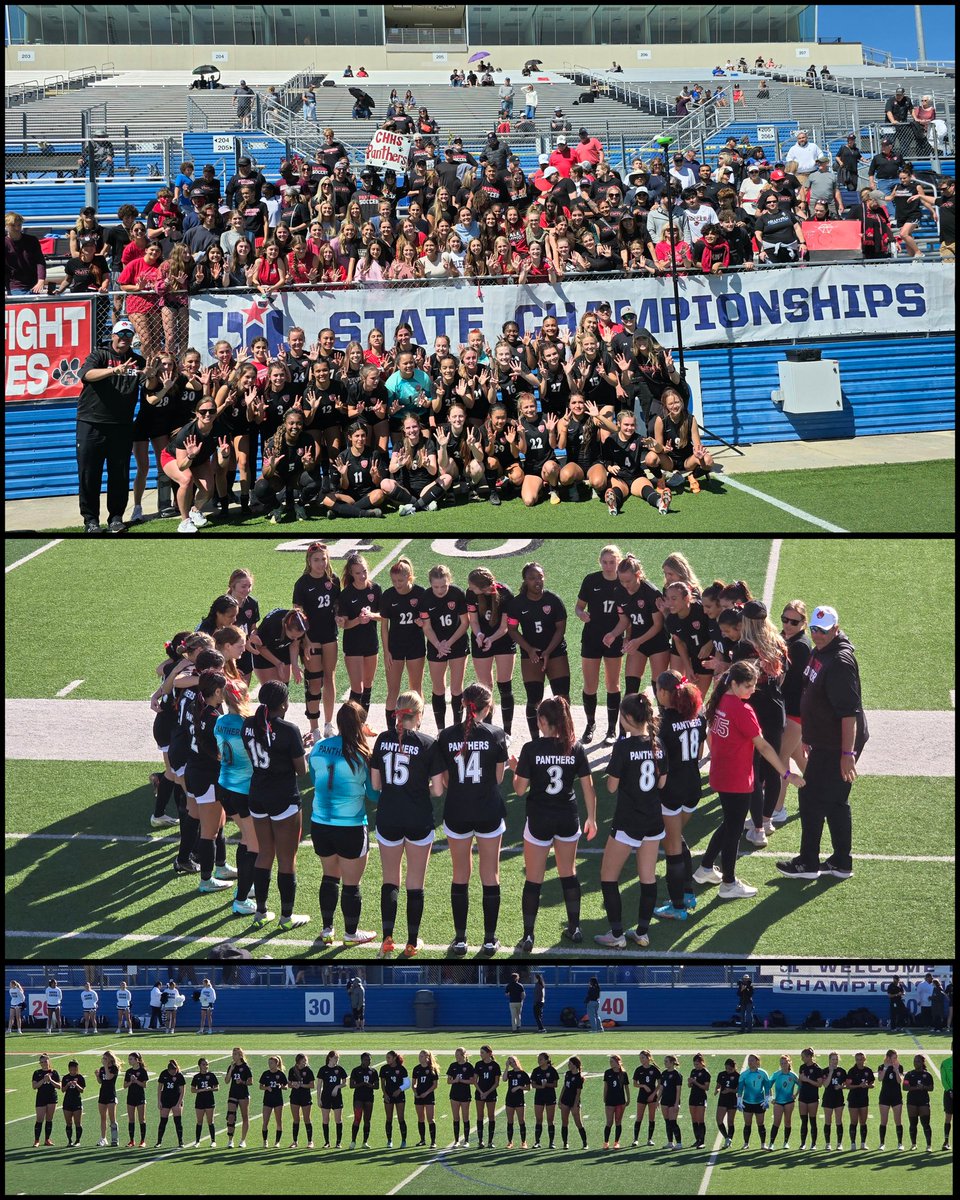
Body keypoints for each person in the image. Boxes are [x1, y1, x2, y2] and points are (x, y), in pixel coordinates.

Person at [694, 661, 804, 900]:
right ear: (734, 683)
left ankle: (704, 868)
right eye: (748, 685)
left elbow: (713, 738)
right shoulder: (743, 711)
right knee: (733, 830)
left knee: (729, 823)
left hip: (722, 774)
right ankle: (729, 883)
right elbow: (763, 747)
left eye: (754, 685)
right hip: (737, 779)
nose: (753, 690)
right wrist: (787, 774)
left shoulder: (721, 701)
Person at [776, 604, 868, 882]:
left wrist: (847, 753)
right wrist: (809, 736)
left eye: (823, 630)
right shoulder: (821, 650)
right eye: (814, 629)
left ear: (836, 629)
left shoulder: (839, 661)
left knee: (811, 798)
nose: (817, 634)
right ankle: (841, 861)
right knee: (835, 801)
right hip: (824, 739)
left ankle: (808, 863)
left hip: (836, 743)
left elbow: (848, 713)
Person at [511, 694, 597, 949]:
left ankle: (528, 935)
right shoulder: (575, 747)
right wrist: (592, 817)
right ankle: (575, 927)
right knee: (568, 874)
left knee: (534, 878)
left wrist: (516, 768)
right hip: (567, 817)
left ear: (543, 721)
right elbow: (588, 788)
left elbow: (519, 789)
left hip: (539, 817)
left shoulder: (531, 749)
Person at [431, 681, 508, 956]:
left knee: (460, 874)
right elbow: (498, 778)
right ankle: (489, 940)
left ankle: (461, 939)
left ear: (463, 704)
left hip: (457, 810)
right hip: (488, 810)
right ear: (487, 708)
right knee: (491, 874)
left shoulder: (446, 735)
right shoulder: (497, 734)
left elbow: (446, 780)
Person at [370, 691, 440, 958]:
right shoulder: (428, 743)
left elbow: (376, 785)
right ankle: (411, 942)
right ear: (419, 715)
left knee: (390, 880)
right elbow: (436, 791)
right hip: (418, 817)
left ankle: (388, 939)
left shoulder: (383, 740)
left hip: (388, 815)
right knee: (415, 881)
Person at [241, 680, 311, 930]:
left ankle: (260, 912)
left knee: (264, 853)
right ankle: (286, 917)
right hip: (283, 797)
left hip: (258, 794)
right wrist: (304, 749)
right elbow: (301, 771)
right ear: (283, 703)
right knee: (286, 858)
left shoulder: (248, 724)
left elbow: (266, 748)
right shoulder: (289, 730)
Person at [309, 702, 377, 947]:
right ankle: (350, 933)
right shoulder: (362, 754)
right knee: (351, 883)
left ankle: (327, 930)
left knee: (329, 876)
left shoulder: (318, 748)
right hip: (351, 825)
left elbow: (314, 779)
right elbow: (373, 795)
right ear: (359, 725)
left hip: (320, 823)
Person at [76, 319, 145, 534]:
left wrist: (150, 377)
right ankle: (91, 520)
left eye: (128, 335)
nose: (124, 339)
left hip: (121, 426)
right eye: (120, 334)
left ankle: (116, 518)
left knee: (119, 474)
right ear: (112, 336)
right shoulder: (100, 355)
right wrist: (114, 371)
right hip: (91, 423)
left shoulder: (138, 360)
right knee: (89, 474)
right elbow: (86, 375)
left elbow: (148, 386)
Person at [5, 211, 48, 294]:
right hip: (15, 285)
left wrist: (41, 280)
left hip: (34, 284)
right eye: (13, 225)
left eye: (19, 225)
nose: (17, 228)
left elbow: (40, 261)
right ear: (6, 226)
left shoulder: (32, 240)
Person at [737, 1054, 772, 1149]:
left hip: (759, 1103)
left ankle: (763, 1144)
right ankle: (746, 1143)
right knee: (747, 1124)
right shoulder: (744, 1074)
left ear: (757, 1061)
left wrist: (767, 1100)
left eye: (752, 1060)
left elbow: (767, 1087)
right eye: (749, 1060)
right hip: (747, 1102)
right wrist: (739, 1100)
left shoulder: (763, 1073)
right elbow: (740, 1089)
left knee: (761, 1124)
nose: (749, 1062)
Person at [767, 1054, 799, 1149]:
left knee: (788, 1121)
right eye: (781, 1063)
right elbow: (768, 1085)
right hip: (778, 1102)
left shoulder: (792, 1075)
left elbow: (801, 1085)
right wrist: (771, 1098)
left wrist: (795, 1095)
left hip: (789, 1102)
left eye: (785, 1063)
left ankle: (785, 1142)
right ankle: (771, 1143)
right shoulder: (777, 1074)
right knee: (776, 1122)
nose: (783, 1064)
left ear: (789, 1063)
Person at [845, 1050, 875, 1150]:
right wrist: (859, 1086)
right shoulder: (852, 1071)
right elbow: (848, 1086)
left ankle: (863, 1143)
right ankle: (853, 1143)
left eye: (861, 1059)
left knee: (863, 1121)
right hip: (853, 1099)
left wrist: (867, 1086)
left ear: (864, 1059)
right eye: (857, 1059)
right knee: (853, 1121)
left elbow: (872, 1084)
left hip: (864, 1099)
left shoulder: (868, 1071)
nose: (859, 1061)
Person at [224, 1047, 253, 1148]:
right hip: (233, 1093)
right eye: (233, 1053)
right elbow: (226, 1081)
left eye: (235, 1054)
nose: (233, 1055)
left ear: (240, 1055)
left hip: (243, 1095)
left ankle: (242, 1140)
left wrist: (242, 1082)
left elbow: (250, 1081)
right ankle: (230, 1140)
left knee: (245, 1117)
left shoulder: (245, 1067)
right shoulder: (232, 1066)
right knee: (231, 1116)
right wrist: (231, 1070)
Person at [349, 1051, 379, 1147]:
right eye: (366, 1059)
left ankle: (365, 1142)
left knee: (367, 1120)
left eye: (369, 1060)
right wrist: (362, 1084)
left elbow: (377, 1086)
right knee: (357, 1118)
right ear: (362, 1060)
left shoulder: (373, 1071)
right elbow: (351, 1085)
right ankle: (353, 1141)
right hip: (358, 1097)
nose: (368, 1061)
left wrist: (369, 1085)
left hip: (369, 1098)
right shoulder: (356, 1070)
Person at [380, 1050, 409, 1148]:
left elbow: (407, 1084)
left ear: (394, 1058)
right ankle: (389, 1140)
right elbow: (383, 1084)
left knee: (401, 1118)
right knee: (389, 1118)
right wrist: (385, 1094)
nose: (387, 1060)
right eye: (386, 1058)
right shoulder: (384, 1069)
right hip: (388, 1096)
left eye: (389, 1058)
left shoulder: (401, 1069)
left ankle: (403, 1140)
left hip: (399, 1096)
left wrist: (399, 1090)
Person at [474, 1045, 501, 1147]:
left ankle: (490, 1141)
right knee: (480, 1116)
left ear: (489, 1053)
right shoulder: (478, 1064)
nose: (481, 1055)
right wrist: (481, 1092)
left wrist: (487, 1093)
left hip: (491, 1093)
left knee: (491, 1116)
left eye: (482, 1053)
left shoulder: (495, 1065)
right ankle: (480, 1141)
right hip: (480, 1093)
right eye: (480, 1053)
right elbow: (475, 1081)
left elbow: (496, 1082)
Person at [413, 1050, 440, 1148]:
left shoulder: (432, 1069)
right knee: (420, 1118)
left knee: (430, 1119)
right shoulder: (416, 1069)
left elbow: (435, 1085)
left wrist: (426, 1093)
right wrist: (415, 1092)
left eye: (422, 1056)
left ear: (427, 1057)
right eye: (419, 1055)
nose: (419, 1057)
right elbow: (414, 1083)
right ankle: (422, 1139)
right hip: (419, 1096)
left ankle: (433, 1141)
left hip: (428, 1096)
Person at [33, 1054, 61, 1147]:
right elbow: (34, 1086)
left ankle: (47, 1139)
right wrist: (43, 1080)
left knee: (49, 1119)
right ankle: (36, 1140)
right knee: (39, 1119)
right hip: (41, 1098)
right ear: (40, 1063)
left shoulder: (54, 1072)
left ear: (49, 1061)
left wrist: (50, 1080)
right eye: (42, 1062)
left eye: (46, 1061)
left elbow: (59, 1086)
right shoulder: (37, 1073)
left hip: (52, 1098)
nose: (44, 1063)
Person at [260, 1056, 288, 1146]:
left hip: (278, 1100)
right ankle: (265, 1141)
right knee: (265, 1121)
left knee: (278, 1121)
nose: (269, 1065)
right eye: (269, 1063)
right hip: (267, 1100)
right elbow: (260, 1086)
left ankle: (277, 1142)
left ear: (276, 1064)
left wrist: (281, 1086)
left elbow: (286, 1086)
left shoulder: (280, 1074)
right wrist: (266, 1087)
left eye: (271, 1063)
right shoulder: (265, 1074)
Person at [821, 1051, 847, 1148]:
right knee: (828, 1121)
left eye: (836, 1059)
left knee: (839, 1121)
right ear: (829, 1060)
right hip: (828, 1098)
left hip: (839, 1098)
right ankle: (828, 1143)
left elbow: (846, 1084)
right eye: (833, 1059)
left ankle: (839, 1144)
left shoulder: (842, 1071)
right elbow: (825, 1084)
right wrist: (831, 1072)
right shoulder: (825, 1071)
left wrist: (841, 1086)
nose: (835, 1061)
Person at [715, 1058, 740, 1148]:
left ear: (734, 1068)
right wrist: (717, 1090)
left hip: (732, 1099)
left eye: (730, 1068)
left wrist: (730, 1090)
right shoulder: (721, 1074)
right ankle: (727, 1138)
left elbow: (738, 1090)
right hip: (722, 1099)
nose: (728, 1070)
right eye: (726, 1068)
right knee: (719, 1120)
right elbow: (718, 1085)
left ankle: (729, 1139)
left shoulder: (738, 1076)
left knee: (730, 1121)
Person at [61, 1059, 86, 1145]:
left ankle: (78, 1140)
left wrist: (76, 1085)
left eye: (75, 1069)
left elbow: (82, 1090)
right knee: (68, 1123)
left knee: (78, 1123)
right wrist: (67, 1085)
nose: (73, 1071)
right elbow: (63, 1090)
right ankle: (69, 1141)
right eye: (71, 1069)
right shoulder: (65, 1078)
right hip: (67, 1102)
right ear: (69, 1069)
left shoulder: (80, 1077)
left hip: (77, 1102)